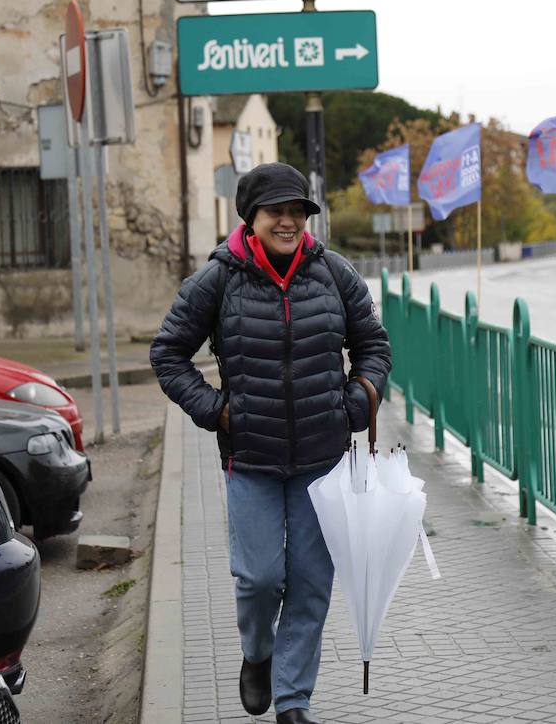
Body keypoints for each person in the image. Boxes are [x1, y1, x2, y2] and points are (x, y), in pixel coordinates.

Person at [151, 162, 391, 724]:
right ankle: (257, 656)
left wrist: (356, 402)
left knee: (310, 584)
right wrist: (217, 411)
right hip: (252, 458)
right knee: (259, 579)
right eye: (275, 212)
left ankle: (292, 700)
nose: (287, 222)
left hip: (322, 460)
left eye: (297, 212)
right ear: (251, 218)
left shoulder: (333, 273)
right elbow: (168, 354)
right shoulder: (218, 278)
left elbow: (374, 346)